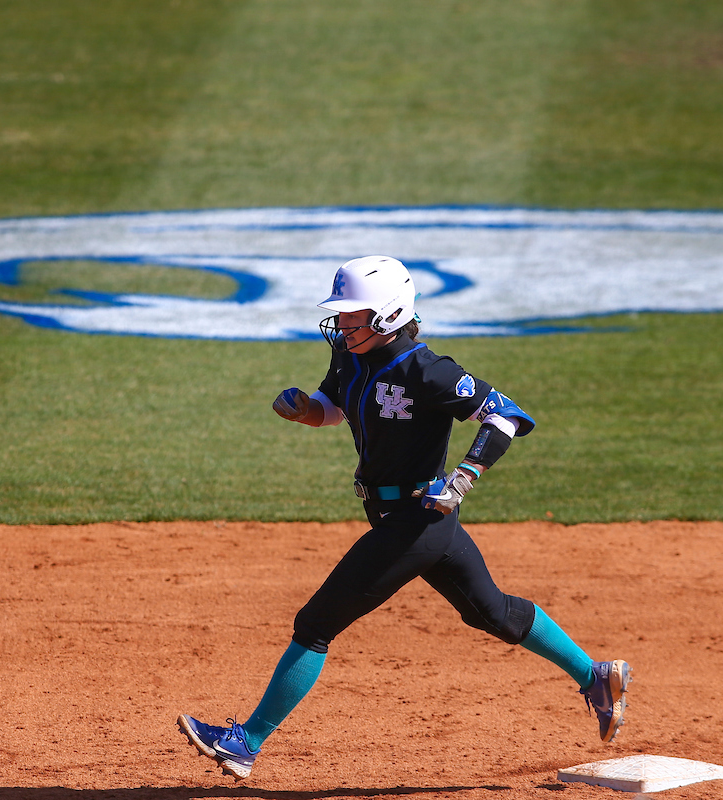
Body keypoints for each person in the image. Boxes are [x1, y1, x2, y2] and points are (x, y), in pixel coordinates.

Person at [177, 256, 631, 780]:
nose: (342, 326)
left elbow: (509, 416)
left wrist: (463, 477)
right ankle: (596, 676)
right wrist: (306, 409)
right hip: (399, 517)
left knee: (315, 624)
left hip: (416, 523)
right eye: (341, 316)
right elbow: (334, 406)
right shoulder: (350, 358)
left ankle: (244, 742)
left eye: (353, 316)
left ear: (389, 315)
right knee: (492, 612)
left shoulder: (428, 370)